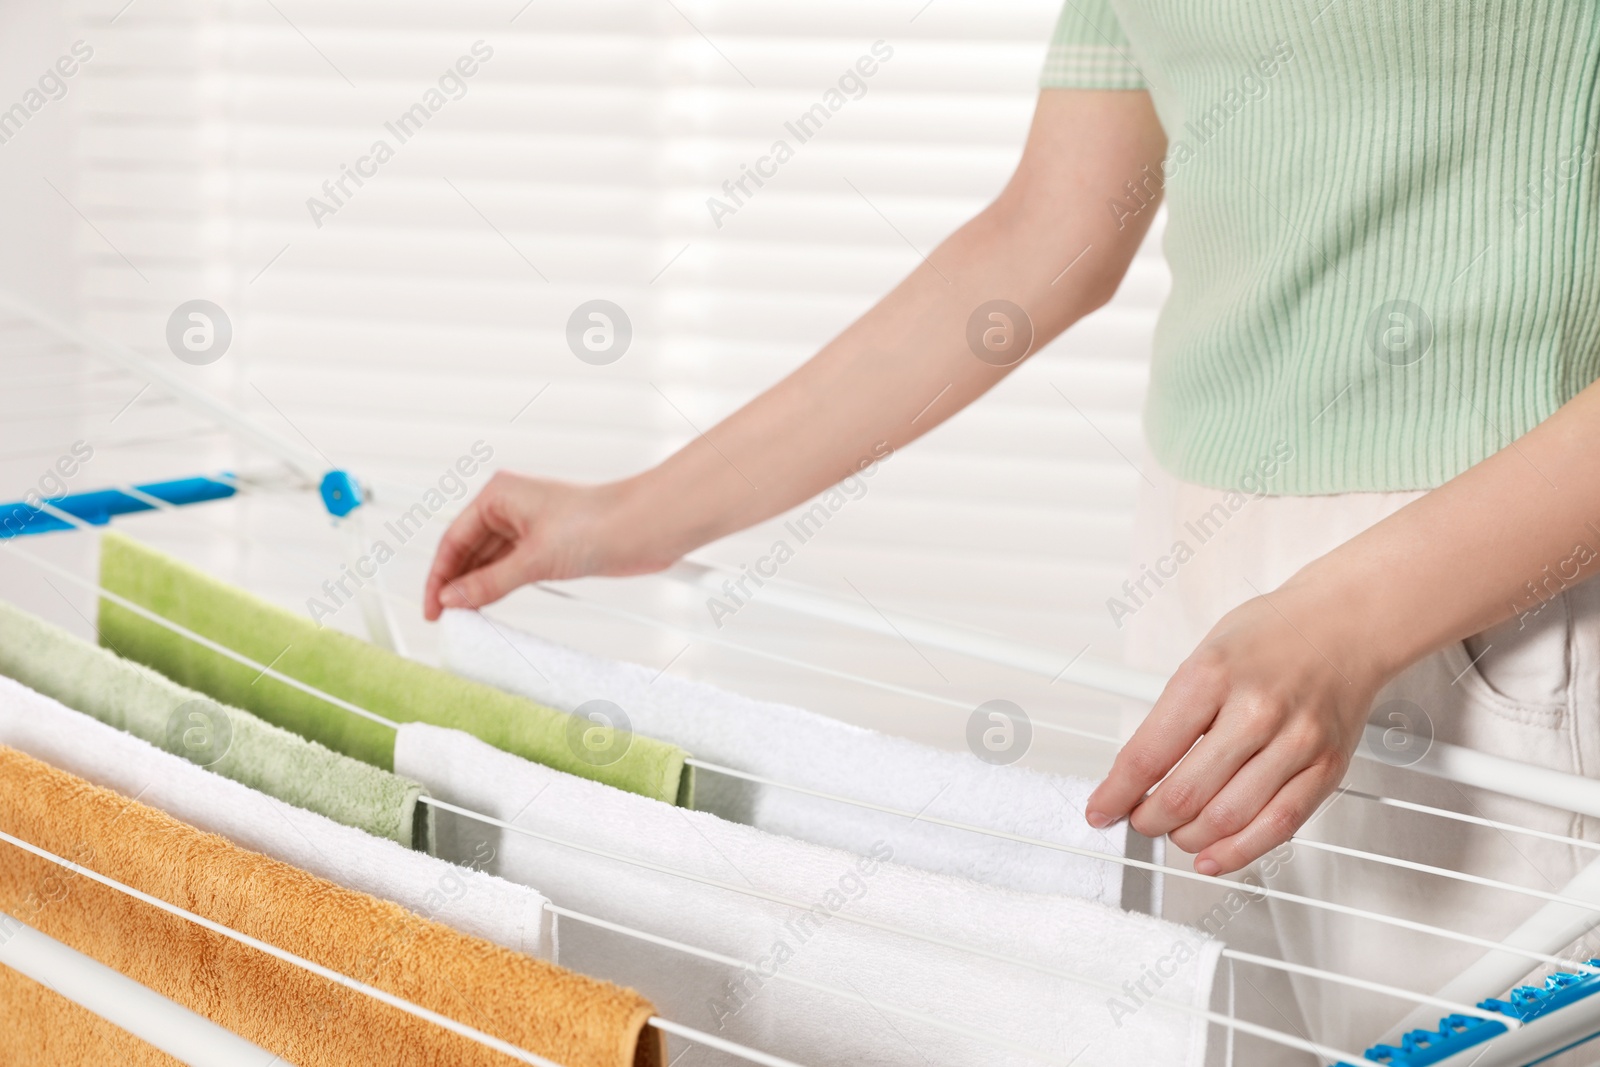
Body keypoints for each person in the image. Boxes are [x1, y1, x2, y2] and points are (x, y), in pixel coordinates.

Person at [426, 2, 1600, 1059]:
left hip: (1484, 606)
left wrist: (1346, 618)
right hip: (1208, 605)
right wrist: (632, 514)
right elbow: (1044, 233)